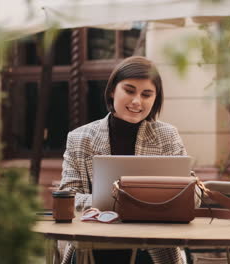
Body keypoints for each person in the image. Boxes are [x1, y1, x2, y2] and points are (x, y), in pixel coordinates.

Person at [58, 56, 187, 264]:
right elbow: (67, 198)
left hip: (152, 248)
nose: (137, 101)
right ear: (112, 91)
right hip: (93, 244)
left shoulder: (167, 136)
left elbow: (190, 195)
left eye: (147, 94)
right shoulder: (80, 138)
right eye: (129, 90)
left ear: (155, 99)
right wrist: (124, 205)